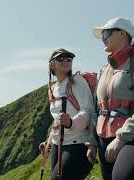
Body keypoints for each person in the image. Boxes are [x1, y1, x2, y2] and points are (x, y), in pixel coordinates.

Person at [88, 17, 134, 180]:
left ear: (122, 33)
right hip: (103, 138)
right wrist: (92, 142)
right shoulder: (104, 70)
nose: (103, 38)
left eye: (106, 33)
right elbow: (97, 110)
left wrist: (122, 138)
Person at [39, 48, 94, 180]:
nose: (66, 61)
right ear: (51, 64)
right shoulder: (53, 88)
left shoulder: (77, 81)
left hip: (78, 144)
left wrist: (71, 122)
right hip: (58, 144)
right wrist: (48, 142)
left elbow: (88, 111)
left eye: (69, 59)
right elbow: (57, 120)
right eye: (60, 58)